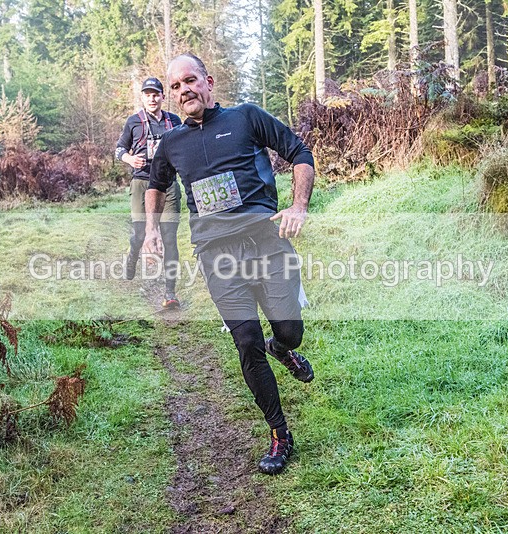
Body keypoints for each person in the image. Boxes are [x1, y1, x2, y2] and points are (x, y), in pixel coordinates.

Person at [142, 53, 316, 475]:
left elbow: (299, 152)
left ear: (208, 82)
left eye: (191, 81)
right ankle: (279, 433)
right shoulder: (172, 143)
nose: (184, 90)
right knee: (246, 343)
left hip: (267, 242)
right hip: (217, 255)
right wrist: (149, 230)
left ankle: (283, 348)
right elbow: (156, 185)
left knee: (289, 332)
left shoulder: (246, 117)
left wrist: (298, 205)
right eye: (176, 86)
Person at [115, 76, 183, 308]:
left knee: (170, 239)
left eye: (156, 94)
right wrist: (129, 158)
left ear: (163, 97)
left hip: (168, 185)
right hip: (142, 183)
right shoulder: (134, 122)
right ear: (142, 97)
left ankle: (170, 293)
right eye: (148, 94)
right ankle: (132, 257)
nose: (152, 98)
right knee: (140, 234)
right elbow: (119, 149)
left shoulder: (174, 121)